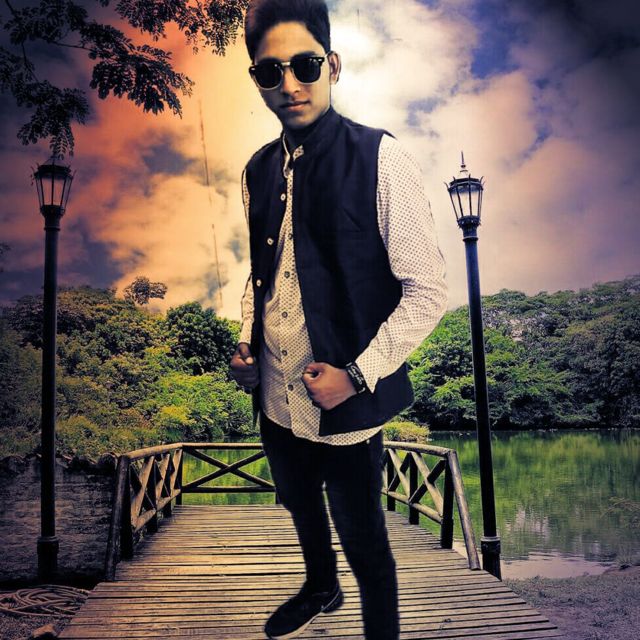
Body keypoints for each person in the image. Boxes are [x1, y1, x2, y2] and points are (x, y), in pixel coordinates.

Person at [229, 1, 448, 638]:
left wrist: (356, 375)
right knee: (299, 501)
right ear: (257, 79)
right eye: (270, 72)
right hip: (275, 394)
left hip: (346, 396)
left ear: (332, 65)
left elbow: (428, 291)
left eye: (304, 65)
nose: (289, 84)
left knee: (366, 544)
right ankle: (320, 586)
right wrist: (246, 346)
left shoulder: (381, 157)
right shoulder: (256, 170)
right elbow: (262, 276)